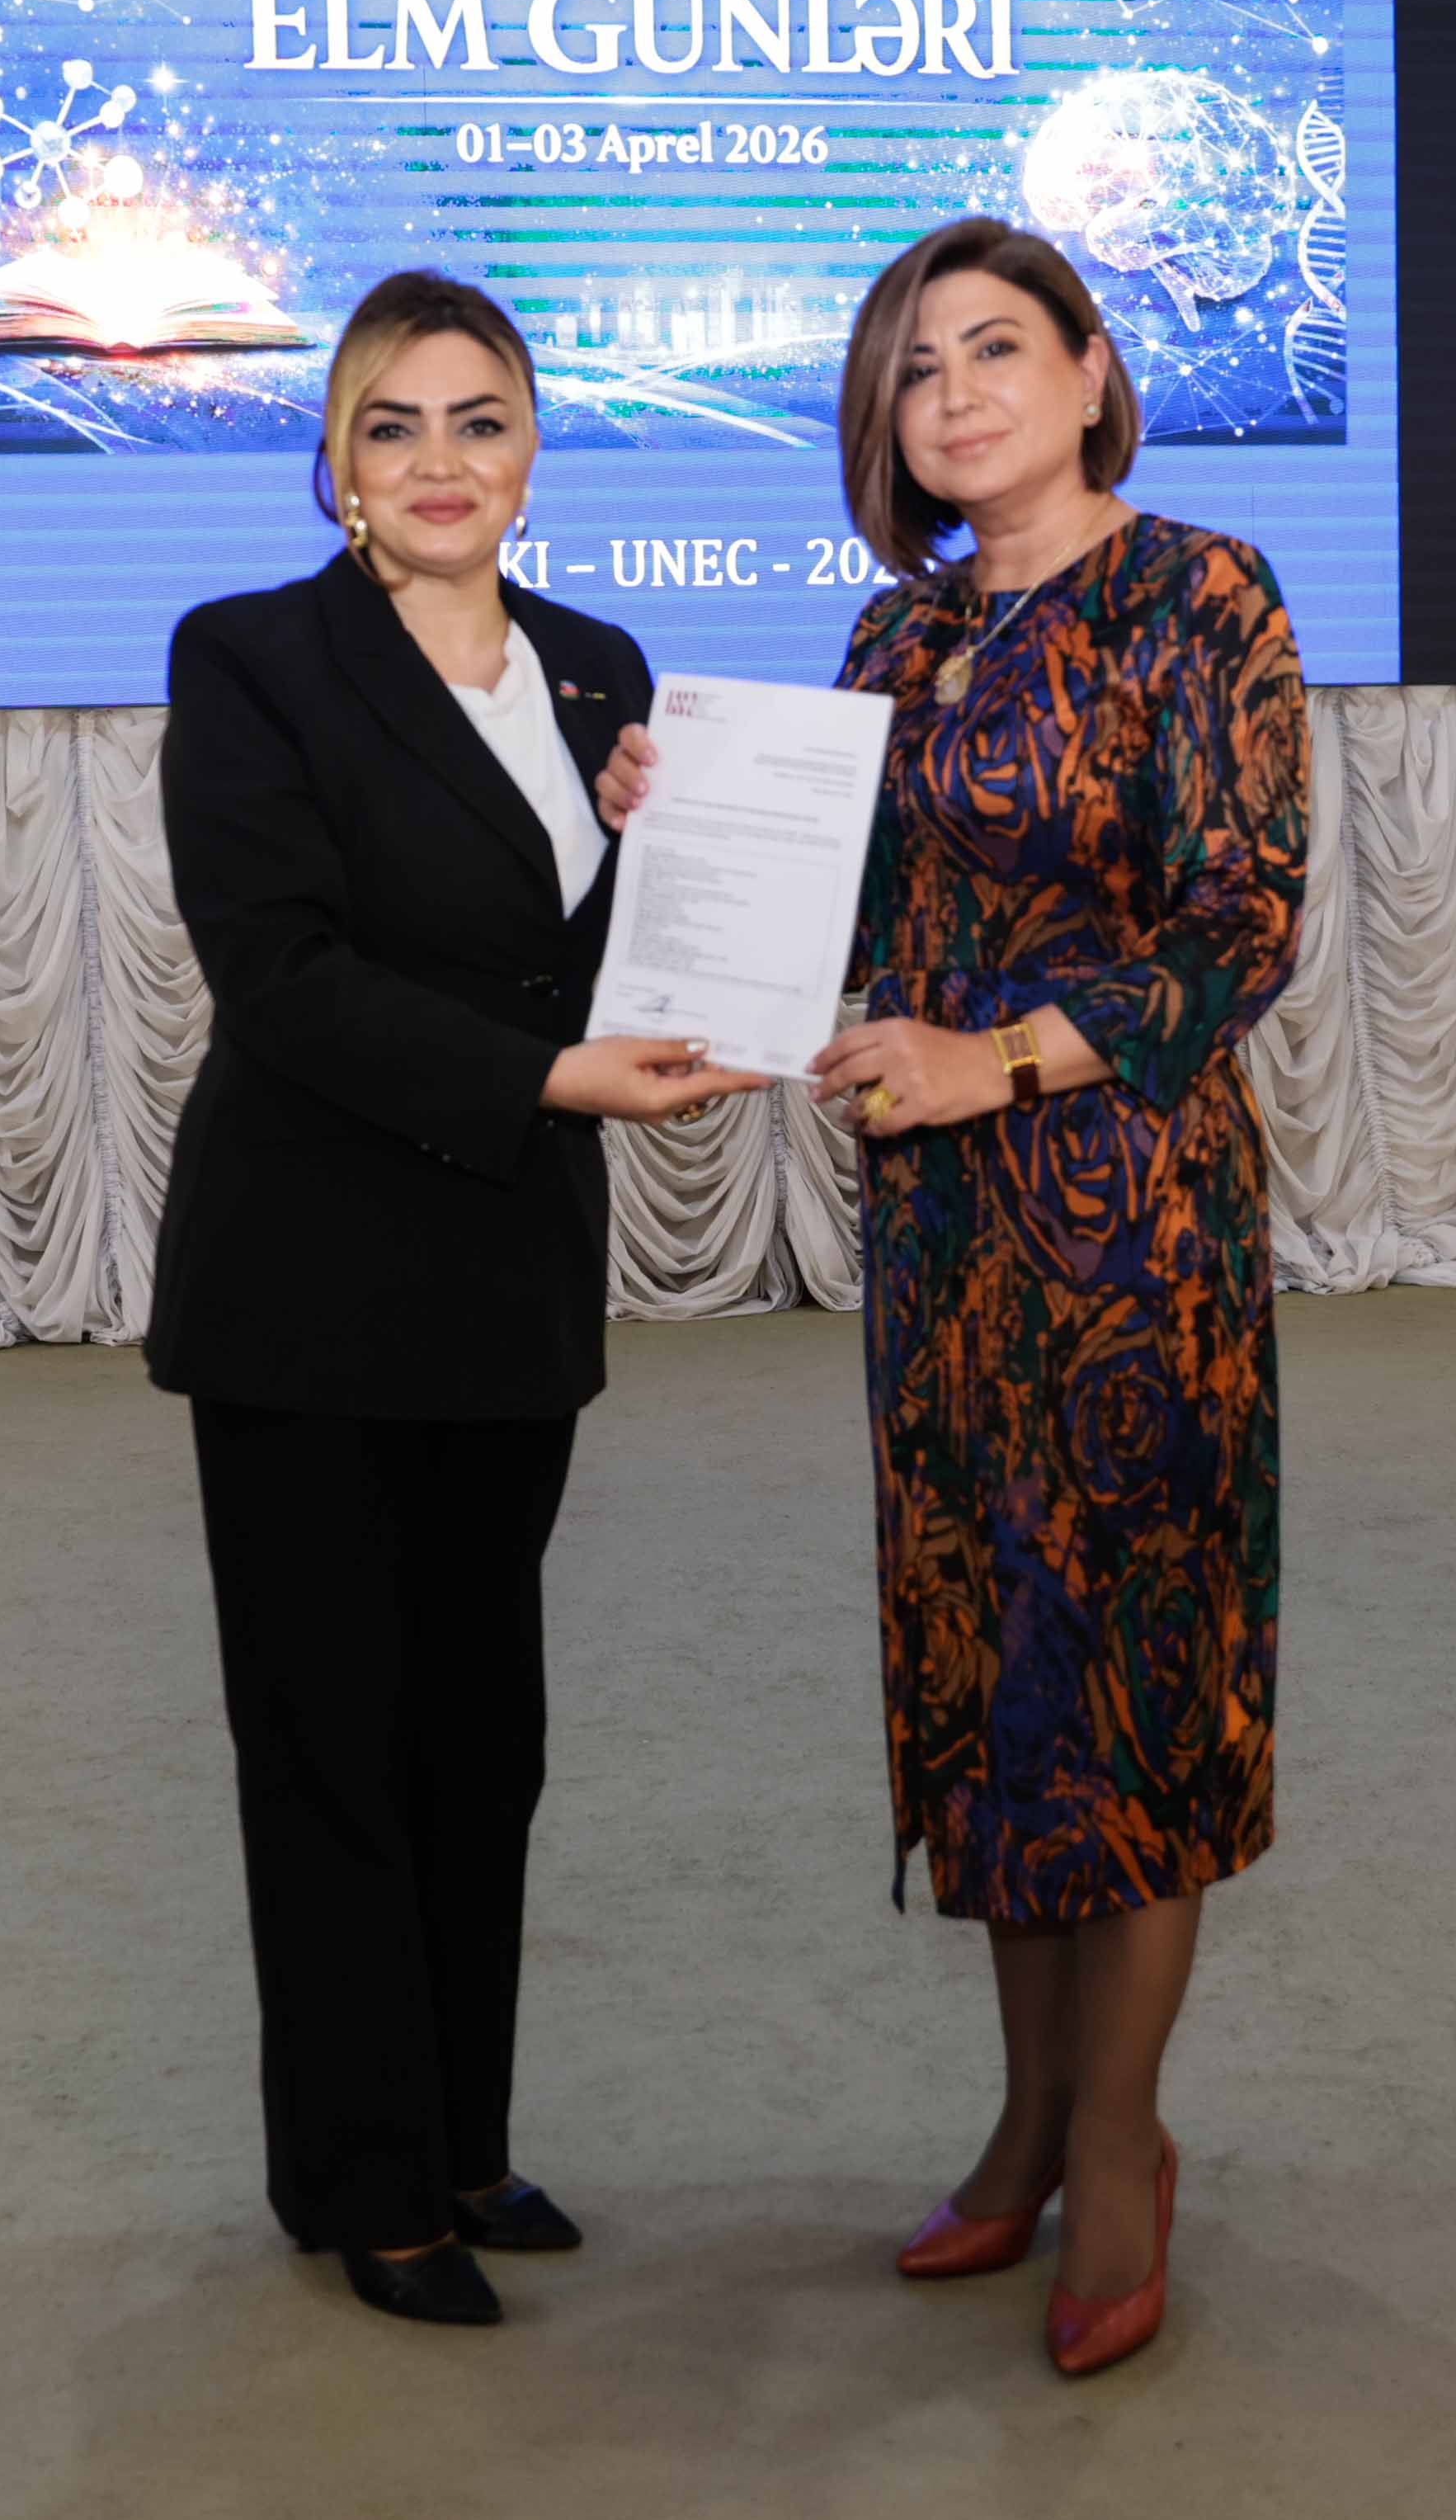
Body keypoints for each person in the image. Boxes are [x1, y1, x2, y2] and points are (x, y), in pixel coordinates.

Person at [602, 215, 1308, 2379]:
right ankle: (1021, 2116)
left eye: (998, 348)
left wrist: (996, 1060)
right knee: (989, 1672)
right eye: (916, 369)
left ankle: (1118, 2138)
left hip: (1132, 1231)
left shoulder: (1201, 595)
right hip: (939, 1243)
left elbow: (1241, 928)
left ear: (1092, 372)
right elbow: (839, 918)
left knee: (1135, 1682)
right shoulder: (894, 639)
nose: (956, 394)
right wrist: (668, 824)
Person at [147, 269, 754, 2331]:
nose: (438, 460)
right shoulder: (250, 658)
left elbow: (592, 971)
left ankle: (463, 2136)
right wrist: (556, 1075)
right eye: (391, 423)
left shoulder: (597, 670)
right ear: (334, 461)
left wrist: (676, 883)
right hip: (308, 1287)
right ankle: (363, 2175)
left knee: (482, 1736)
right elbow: (282, 979)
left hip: (505, 1278)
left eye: (478, 419)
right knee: (331, 1738)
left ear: (531, 451)